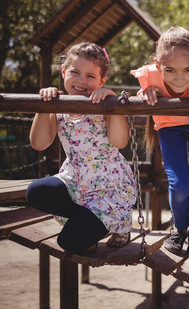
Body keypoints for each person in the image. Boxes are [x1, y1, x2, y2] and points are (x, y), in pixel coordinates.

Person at [26, 42, 136, 254]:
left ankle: (114, 224)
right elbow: (39, 143)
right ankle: (94, 224)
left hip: (108, 189)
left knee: (69, 243)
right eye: (75, 72)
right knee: (36, 192)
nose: (81, 81)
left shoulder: (103, 106)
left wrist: (112, 105)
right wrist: (43, 106)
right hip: (75, 182)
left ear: (102, 81)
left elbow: (120, 142)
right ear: (64, 71)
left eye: (90, 76)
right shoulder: (58, 104)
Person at [131, 27, 189, 265]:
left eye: (188, 70)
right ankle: (178, 230)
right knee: (180, 185)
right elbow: (144, 95)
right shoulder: (149, 76)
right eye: (170, 70)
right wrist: (146, 93)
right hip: (169, 125)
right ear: (158, 65)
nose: (180, 78)